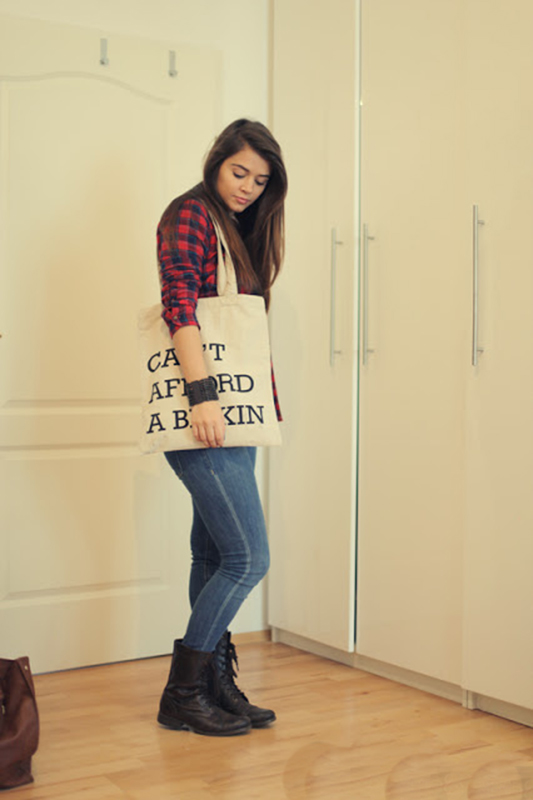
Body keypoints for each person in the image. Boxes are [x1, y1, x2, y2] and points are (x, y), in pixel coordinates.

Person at [155, 119, 288, 737]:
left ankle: (212, 684)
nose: (247, 188)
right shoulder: (190, 213)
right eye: (239, 172)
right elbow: (178, 305)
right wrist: (202, 396)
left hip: (237, 411)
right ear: (215, 162)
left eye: (260, 181)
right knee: (247, 556)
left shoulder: (237, 228)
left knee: (212, 553)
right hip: (208, 407)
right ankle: (182, 692)